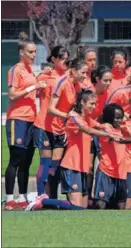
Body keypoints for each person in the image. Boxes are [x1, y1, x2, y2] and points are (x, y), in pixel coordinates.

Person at [25, 90, 119, 211]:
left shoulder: (86, 118)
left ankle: (45, 201)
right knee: (77, 208)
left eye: (95, 103)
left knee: (83, 207)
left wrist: (105, 125)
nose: (94, 106)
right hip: (72, 167)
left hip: (82, 168)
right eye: (91, 103)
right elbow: (89, 130)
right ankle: (42, 200)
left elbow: (97, 125)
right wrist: (107, 135)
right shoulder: (74, 117)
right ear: (82, 102)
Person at [4, 32, 47, 210]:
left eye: (35, 52)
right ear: (22, 52)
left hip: (31, 120)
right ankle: (8, 199)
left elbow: (31, 91)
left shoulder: (30, 71)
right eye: (30, 52)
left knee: (27, 160)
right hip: (18, 119)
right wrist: (34, 86)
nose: (34, 55)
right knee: (16, 158)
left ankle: (21, 197)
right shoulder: (15, 70)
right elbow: (13, 95)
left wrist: (40, 79)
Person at [46, 58, 88, 198]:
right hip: (56, 129)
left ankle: (66, 195)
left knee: (66, 163)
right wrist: (67, 115)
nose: (85, 76)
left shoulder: (77, 86)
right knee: (55, 163)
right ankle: (48, 197)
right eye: (83, 72)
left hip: (67, 129)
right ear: (74, 71)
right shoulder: (62, 83)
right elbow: (51, 109)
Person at [93, 104, 131, 210]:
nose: (120, 120)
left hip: (121, 172)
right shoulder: (105, 128)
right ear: (109, 117)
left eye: (121, 117)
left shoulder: (122, 129)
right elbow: (119, 140)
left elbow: (127, 132)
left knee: (121, 205)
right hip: (106, 171)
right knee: (100, 204)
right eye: (117, 117)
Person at [34, 45, 70, 198]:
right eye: (62, 59)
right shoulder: (45, 76)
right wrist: (40, 77)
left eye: (66, 59)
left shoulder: (69, 77)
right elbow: (35, 94)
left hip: (60, 127)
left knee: (55, 164)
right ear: (54, 59)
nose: (65, 62)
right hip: (44, 125)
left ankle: (52, 197)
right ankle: (41, 196)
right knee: (45, 162)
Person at [87, 65, 113, 200]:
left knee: (102, 163)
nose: (108, 84)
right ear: (97, 79)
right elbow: (82, 116)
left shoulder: (107, 94)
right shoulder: (88, 93)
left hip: (97, 132)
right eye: (106, 80)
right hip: (85, 132)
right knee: (89, 165)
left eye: (110, 81)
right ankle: (86, 196)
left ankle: (97, 195)